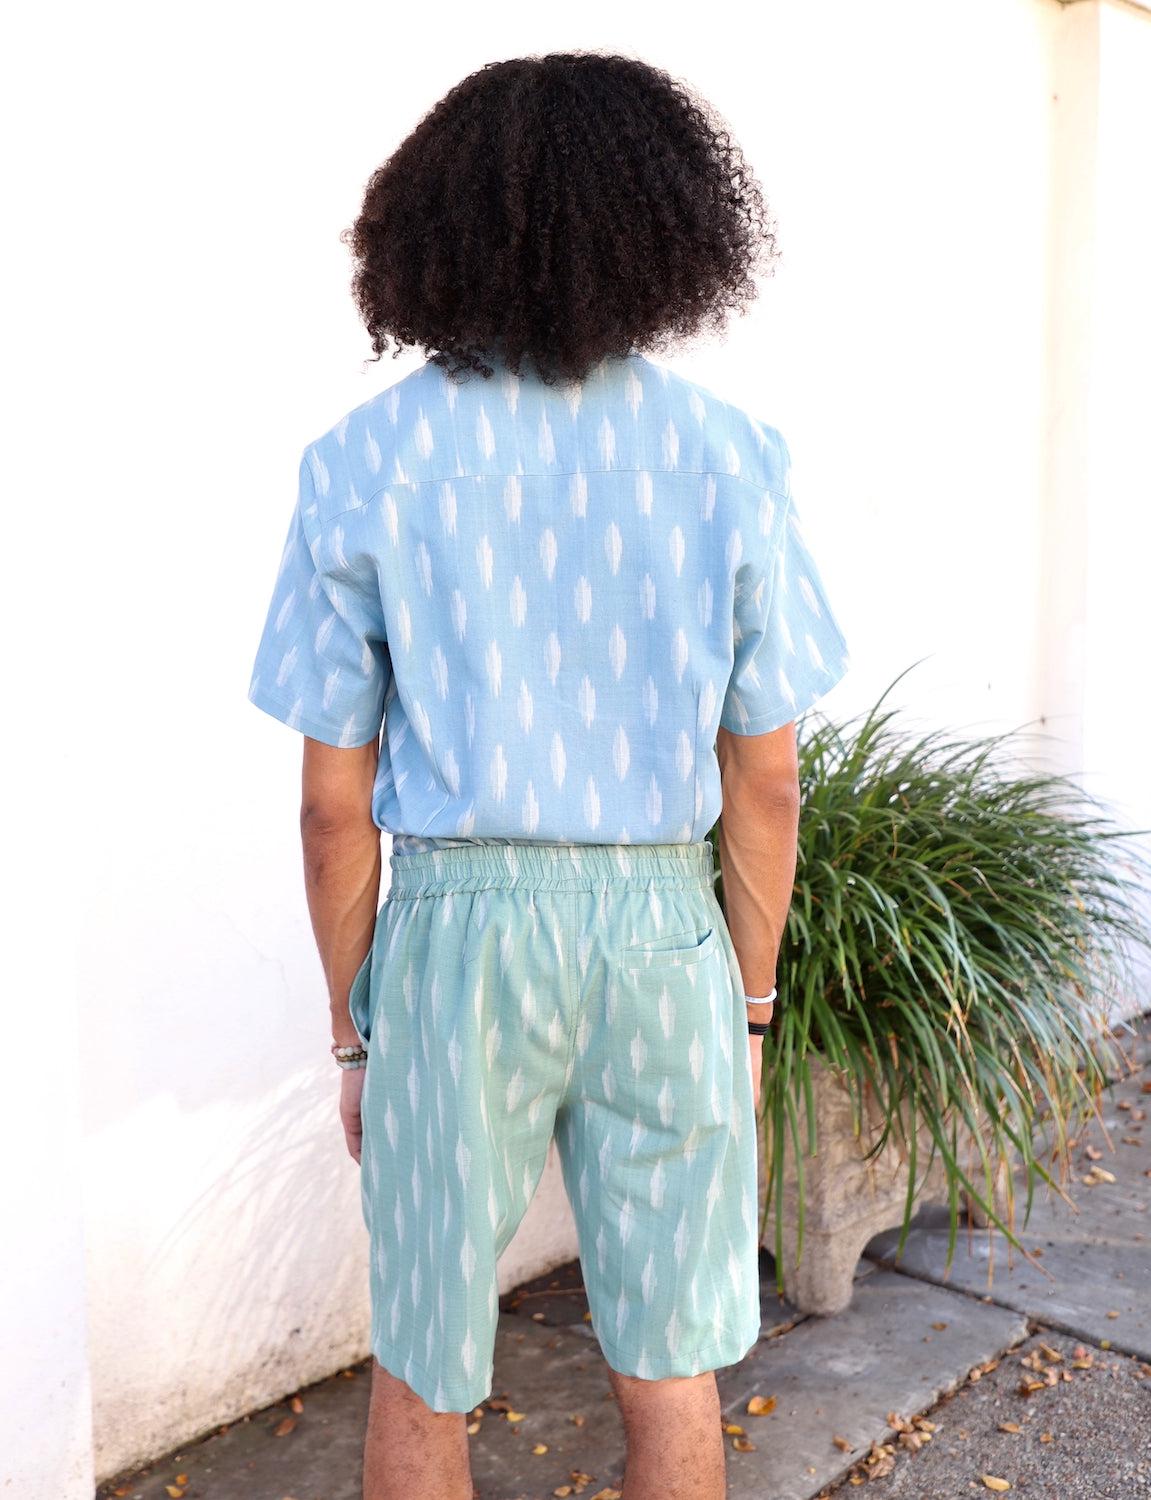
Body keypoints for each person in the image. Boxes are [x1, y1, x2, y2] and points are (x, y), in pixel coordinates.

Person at [248, 50, 850, 1500]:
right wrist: (749, 1004)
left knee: (424, 1361)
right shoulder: (730, 459)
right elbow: (766, 780)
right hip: (662, 936)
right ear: (667, 232)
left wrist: (355, 1035)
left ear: (431, 232)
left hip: (458, 942)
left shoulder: (364, 465)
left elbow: (333, 807)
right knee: (671, 1353)